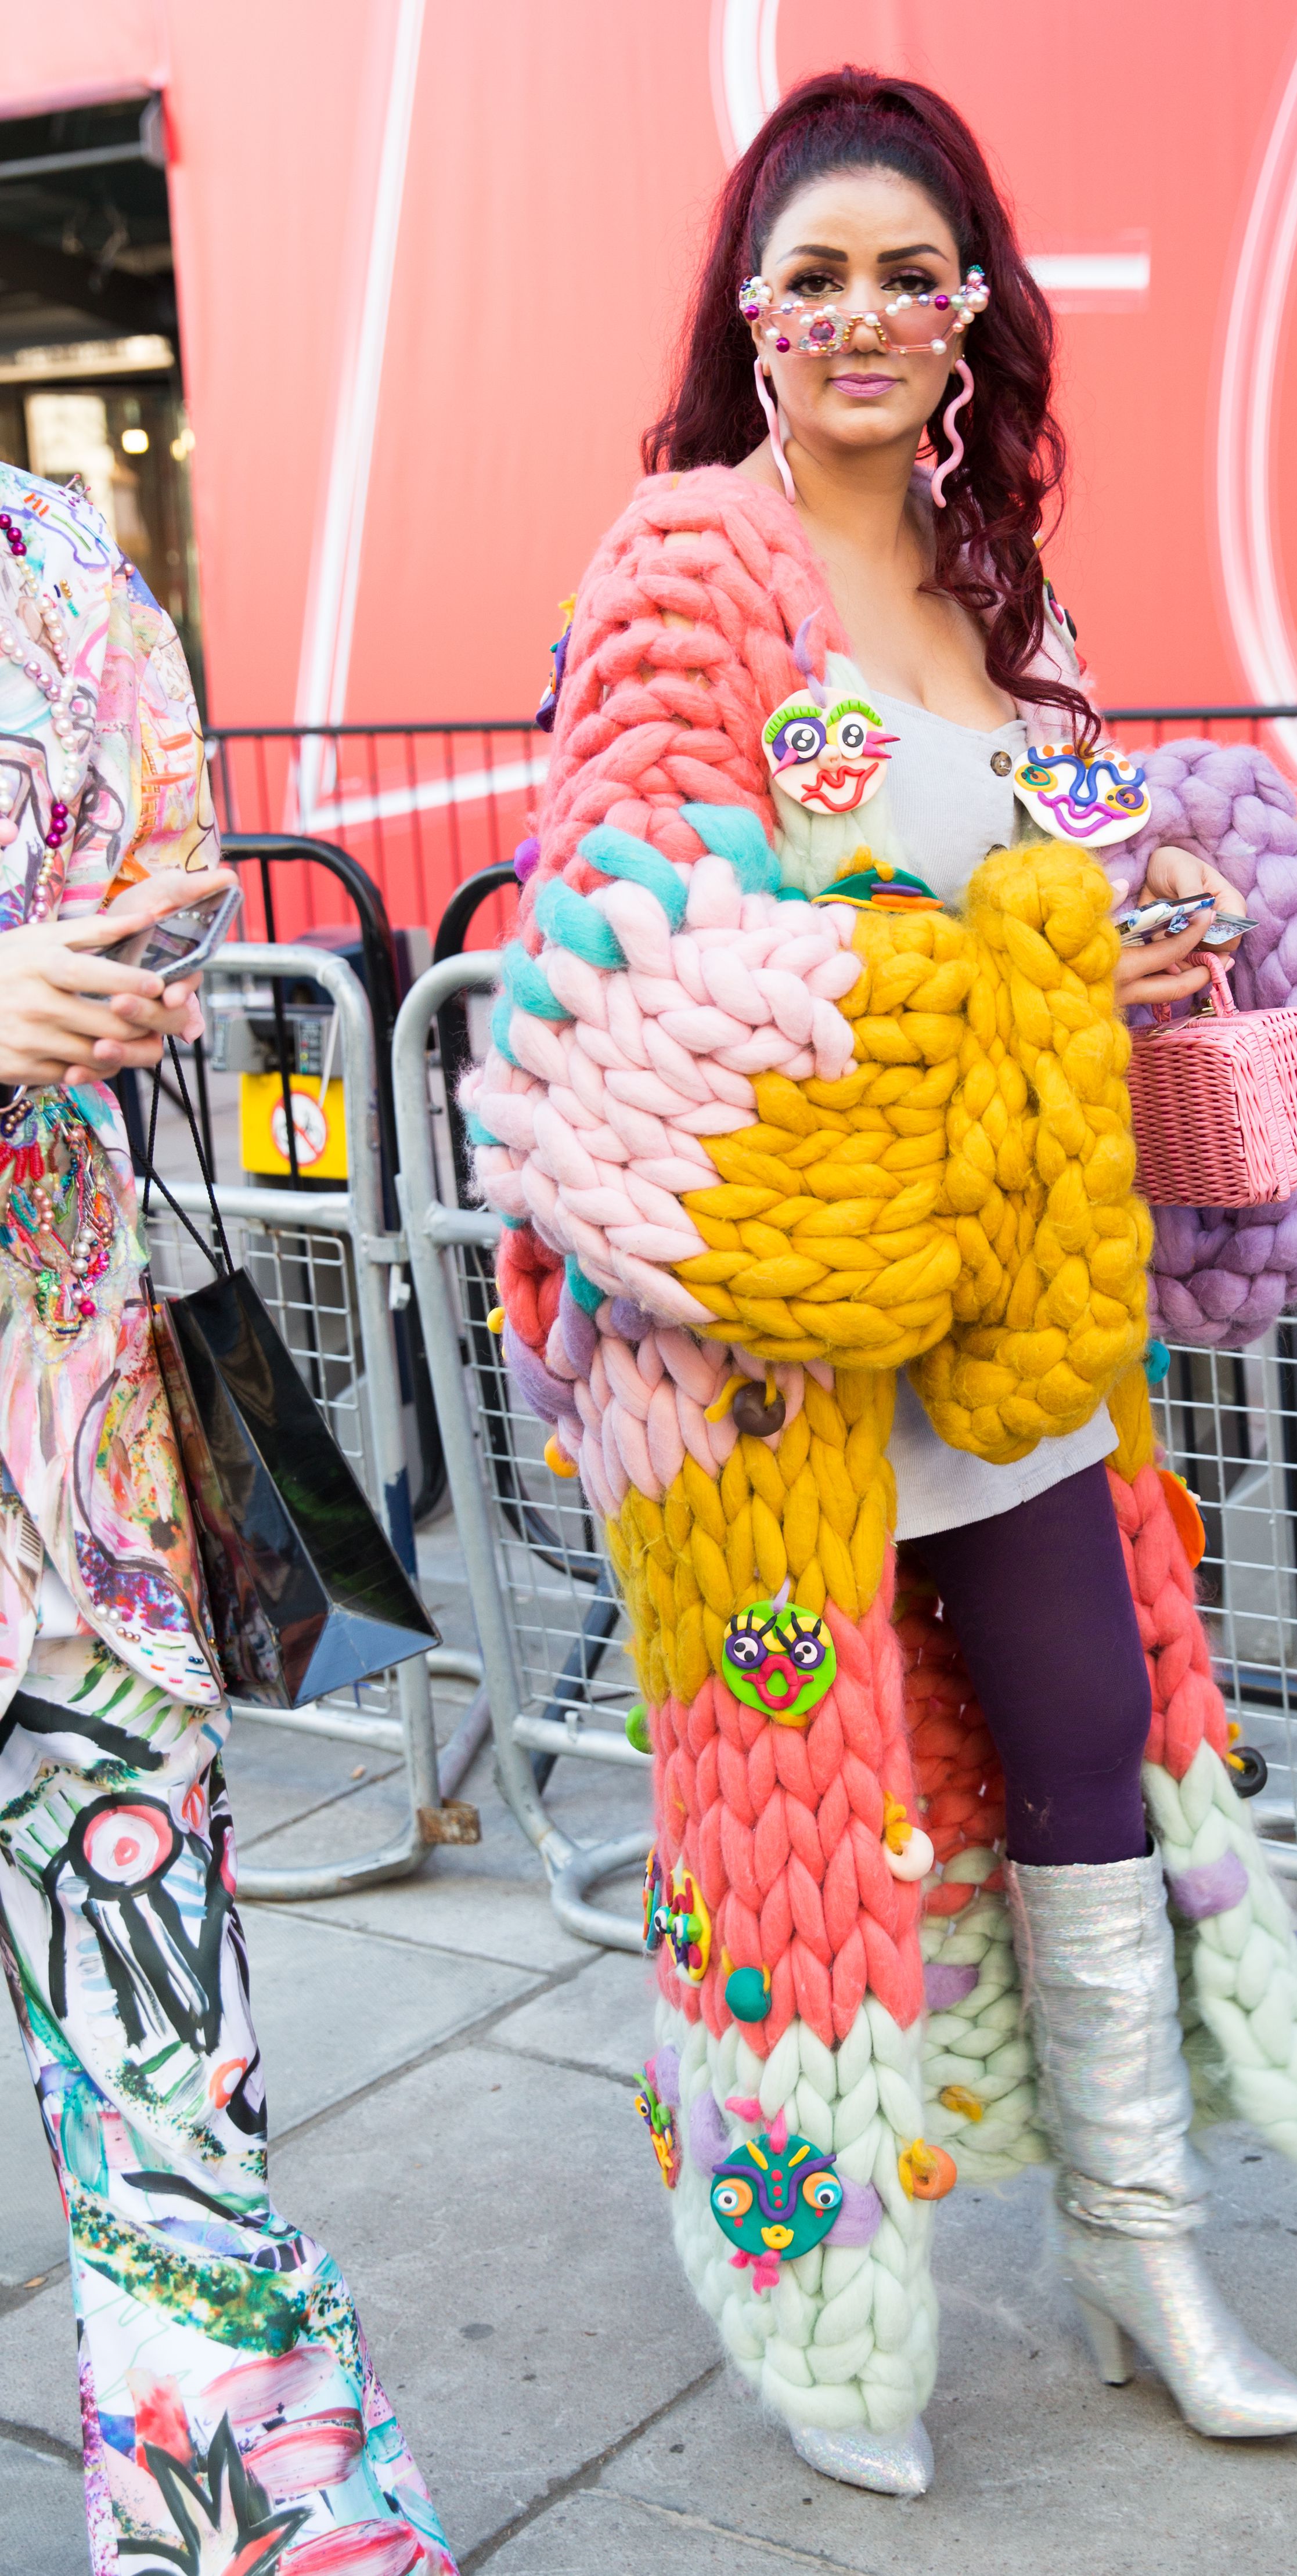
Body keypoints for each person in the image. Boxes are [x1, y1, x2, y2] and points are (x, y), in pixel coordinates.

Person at [477, 67, 1297, 2497]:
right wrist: (975, 972)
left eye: (908, 274)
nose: (861, 316)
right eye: (816, 277)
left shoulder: (1011, 609)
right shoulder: (690, 572)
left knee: (1093, 1750)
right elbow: (636, 923)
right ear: (750, 316)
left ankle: (1143, 2252)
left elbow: (1080, 868)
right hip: (768, 1352)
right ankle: (820, 2296)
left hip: (1012, 1323)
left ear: (970, 314)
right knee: (787, 1807)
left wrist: (1157, 923)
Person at [0, 464, 457, 2574]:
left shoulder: (53, 559)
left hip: (74, 1447)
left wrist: (99, 989)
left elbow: (170, 900)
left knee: (171, 2085)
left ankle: (255, 2532)